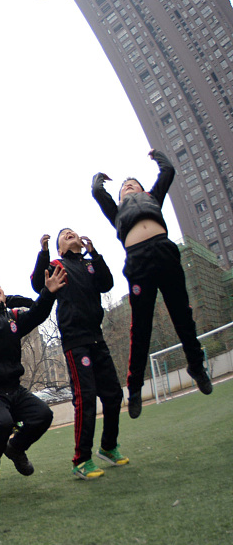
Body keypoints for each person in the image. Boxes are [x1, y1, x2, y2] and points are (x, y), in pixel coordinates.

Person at [92, 150, 213, 417]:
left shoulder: (152, 198)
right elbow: (98, 194)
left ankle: (196, 366)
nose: (128, 187)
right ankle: (135, 388)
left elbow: (167, 172)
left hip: (164, 252)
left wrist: (158, 156)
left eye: (133, 184)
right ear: (120, 195)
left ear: (143, 189)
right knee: (141, 327)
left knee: (183, 315)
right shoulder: (117, 211)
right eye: (124, 187)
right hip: (138, 262)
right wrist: (99, 179)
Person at [0, 245, 66, 501]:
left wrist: (49, 293)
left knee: (43, 415)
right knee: (2, 423)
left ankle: (16, 448)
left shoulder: (12, 318)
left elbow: (37, 315)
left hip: (14, 389)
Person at [31, 230, 127, 479]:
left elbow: (107, 283)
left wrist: (95, 254)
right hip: (76, 341)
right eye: (64, 235)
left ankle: (108, 447)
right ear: (60, 248)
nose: (70, 234)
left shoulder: (89, 263)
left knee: (114, 394)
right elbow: (37, 283)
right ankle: (81, 460)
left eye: (73, 232)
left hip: (98, 337)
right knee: (85, 398)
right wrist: (44, 252)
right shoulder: (56, 264)